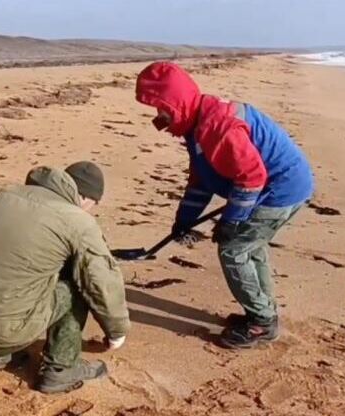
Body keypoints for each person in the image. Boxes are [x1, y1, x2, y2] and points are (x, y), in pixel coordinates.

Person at [135, 61, 314, 349]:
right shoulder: (198, 122)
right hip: (278, 186)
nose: (160, 118)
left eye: (161, 110)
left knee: (234, 249)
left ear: (177, 103)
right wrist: (184, 219)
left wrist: (231, 220)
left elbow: (252, 177)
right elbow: (202, 180)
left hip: (278, 190)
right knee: (251, 247)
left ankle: (261, 323)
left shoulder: (216, 127)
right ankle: (262, 312)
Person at [0, 161, 130, 394]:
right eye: (93, 205)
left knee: (7, 270)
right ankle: (60, 370)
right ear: (85, 198)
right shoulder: (77, 220)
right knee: (79, 283)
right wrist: (116, 331)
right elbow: (101, 282)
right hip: (2, 329)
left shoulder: (1, 196)